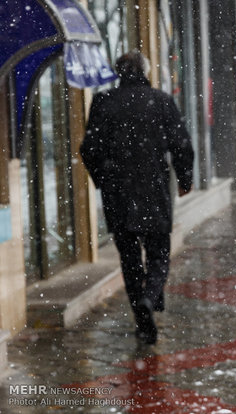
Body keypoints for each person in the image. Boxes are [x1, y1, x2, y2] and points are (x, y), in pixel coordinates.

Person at [80, 51, 194, 345]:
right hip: (153, 189)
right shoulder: (161, 101)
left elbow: (89, 149)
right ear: (145, 70)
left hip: (118, 194)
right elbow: (182, 144)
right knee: (159, 254)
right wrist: (184, 179)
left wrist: (104, 181)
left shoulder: (103, 102)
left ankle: (143, 320)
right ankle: (150, 296)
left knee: (129, 259)